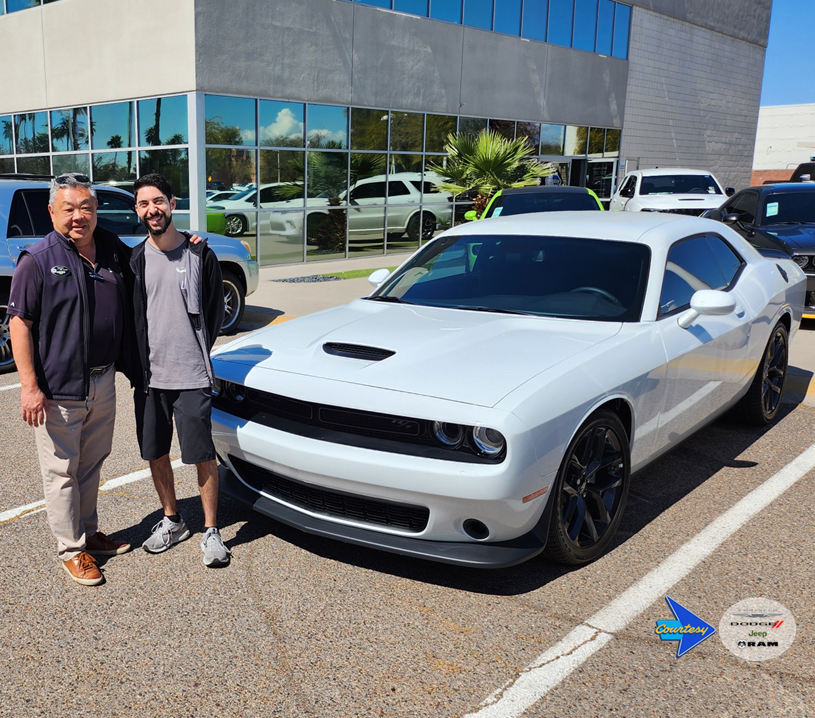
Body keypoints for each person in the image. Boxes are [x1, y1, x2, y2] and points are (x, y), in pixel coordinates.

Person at [8, 173, 133, 586]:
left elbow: (151, 253)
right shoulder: (38, 259)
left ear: (96, 211)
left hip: (102, 381)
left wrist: (189, 242)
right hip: (58, 388)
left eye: (86, 208)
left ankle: (89, 531)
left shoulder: (111, 249)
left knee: (92, 463)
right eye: (69, 208)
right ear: (52, 212)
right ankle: (72, 549)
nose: (79, 216)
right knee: (61, 471)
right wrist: (29, 386)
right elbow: (20, 323)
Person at [129, 173, 230, 567]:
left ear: (172, 203)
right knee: (155, 452)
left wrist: (201, 350)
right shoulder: (135, 259)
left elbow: (215, 309)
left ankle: (210, 530)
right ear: (137, 210)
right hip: (151, 378)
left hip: (191, 375)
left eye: (158, 201)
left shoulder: (199, 254)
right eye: (143, 203)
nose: (152, 209)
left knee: (202, 454)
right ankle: (172, 520)